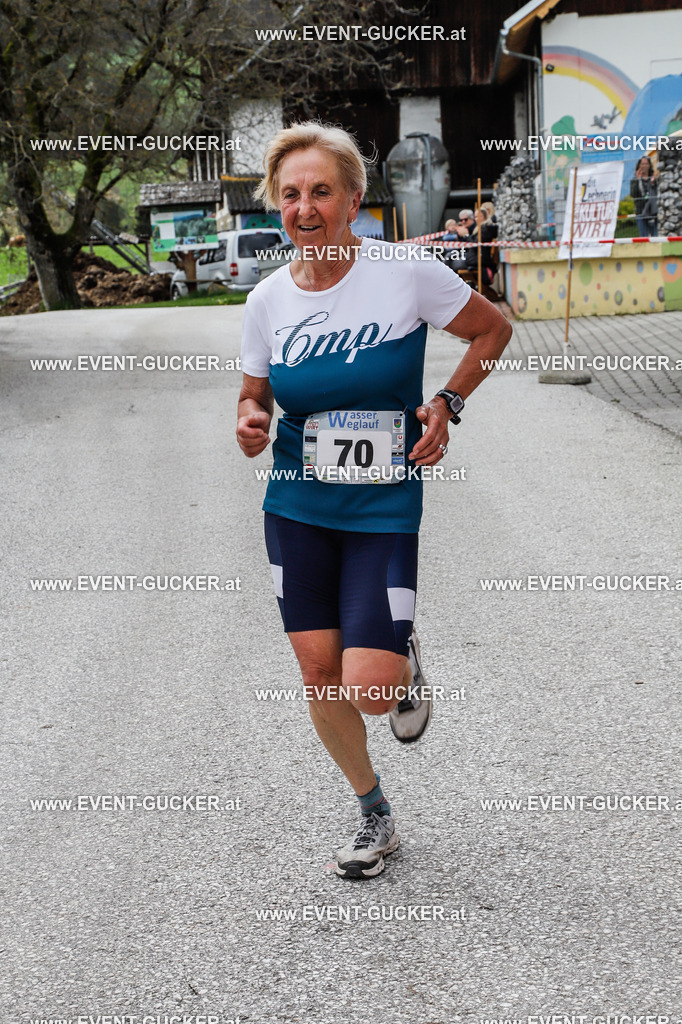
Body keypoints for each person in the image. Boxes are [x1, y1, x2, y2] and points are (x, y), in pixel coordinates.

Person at [237, 122, 511, 879]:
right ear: (277, 204)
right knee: (318, 671)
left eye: (322, 191)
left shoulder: (404, 272)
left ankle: (397, 651)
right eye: (291, 194)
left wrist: (447, 404)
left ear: (355, 200)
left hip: (384, 502)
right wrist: (250, 420)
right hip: (296, 503)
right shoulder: (267, 300)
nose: (305, 207)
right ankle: (374, 811)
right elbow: (254, 395)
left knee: (370, 688)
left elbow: (493, 331)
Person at [464, 207, 497, 284]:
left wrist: (466, 235)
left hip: (478, 259)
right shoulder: (479, 228)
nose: (477, 219)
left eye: (479, 216)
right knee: (450, 256)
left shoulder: (485, 229)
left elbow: (475, 244)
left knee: (452, 261)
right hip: (474, 258)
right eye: (475, 217)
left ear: (485, 217)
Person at [630, 156, 657, 237]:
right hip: (641, 211)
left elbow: (658, 192)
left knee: (656, 236)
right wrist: (638, 180)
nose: (644, 166)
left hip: (653, 211)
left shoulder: (653, 178)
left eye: (646, 164)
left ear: (649, 165)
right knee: (644, 236)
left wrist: (653, 183)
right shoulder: (634, 180)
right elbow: (633, 194)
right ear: (639, 166)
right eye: (642, 164)